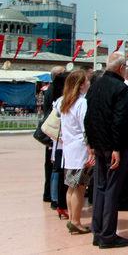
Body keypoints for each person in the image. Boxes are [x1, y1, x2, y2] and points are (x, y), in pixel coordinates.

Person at [84, 52, 128, 249]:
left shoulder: (95, 85)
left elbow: (89, 118)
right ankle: (108, 235)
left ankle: (98, 231)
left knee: (100, 188)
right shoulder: (120, 88)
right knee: (112, 189)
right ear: (121, 68)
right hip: (113, 146)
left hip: (98, 145)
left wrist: (92, 144)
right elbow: (119, 120)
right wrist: (116, 148)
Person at [60, 69, 94, 234]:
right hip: (80, 149)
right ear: (81, 85)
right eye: (86, 81)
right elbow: (86, 128)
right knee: (80, 187)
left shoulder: (65, 102)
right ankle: (75, 221)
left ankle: (73, 217)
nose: (88, 83)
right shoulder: (82, 103)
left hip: (69, 149)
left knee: (71, 186)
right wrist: (91, 150)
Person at [42, 65, 65, 206]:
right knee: (54, 167)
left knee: (52, 166)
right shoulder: (55, 92)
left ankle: (50, 194)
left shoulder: (51, 90)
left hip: (52, 134)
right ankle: (53, 196)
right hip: (54, 134)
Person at [51, 71, 70, 219]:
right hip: (65, 144)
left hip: (59, 143)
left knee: (59, 173)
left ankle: (58, 203)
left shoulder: (59, 100)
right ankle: (62, 204)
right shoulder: (67, 100)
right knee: (65, 176)